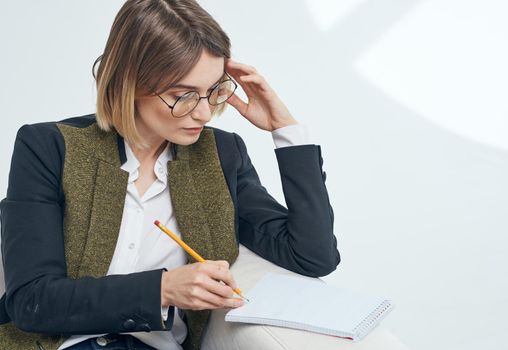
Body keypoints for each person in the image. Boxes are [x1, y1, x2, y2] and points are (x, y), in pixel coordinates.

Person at [0, 0, 340, 349]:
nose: (205, 113)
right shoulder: (49, 147)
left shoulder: (221, 155)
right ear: (129, 82)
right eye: (184, 95)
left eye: (214, 91)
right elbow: (31, 301)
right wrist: (163, 289)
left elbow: (312, 256)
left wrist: (286, 131)